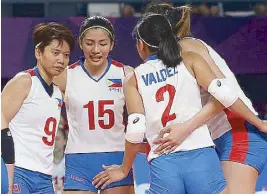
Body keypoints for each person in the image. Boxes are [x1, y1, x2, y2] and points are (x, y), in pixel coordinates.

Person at [143, 2, 267, 194]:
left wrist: (259, 123)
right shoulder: (165, 60)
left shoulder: (186, 47)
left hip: (237, 132)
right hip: (215, 141)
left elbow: (224, 94)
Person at [54, 16, 135, 194]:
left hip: (117, 157)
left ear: (112, 44)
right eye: (89, 43)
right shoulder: (66, 75)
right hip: (78, 158)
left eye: (103, 43)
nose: (96, 50)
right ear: (80, 43)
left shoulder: (126, 73)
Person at [1, 22, 75, 194]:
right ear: (38, 52)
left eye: (66, 55)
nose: (61, 60)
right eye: (55, 53)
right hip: (18, 171)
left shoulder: (58, 92)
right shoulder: (25, 81)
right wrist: (7, 172)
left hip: (45, 176)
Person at [52, 126, 67, 194]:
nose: (54, 142)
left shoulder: (71, 162)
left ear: (64, 140)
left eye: (57, 139)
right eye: (53, 139)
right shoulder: (43, 162)